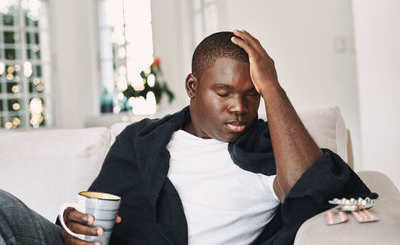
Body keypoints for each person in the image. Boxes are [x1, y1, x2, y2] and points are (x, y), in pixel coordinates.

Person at [0, 30, 375, 245]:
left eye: (251, 93)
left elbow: (308, 187)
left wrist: (272, 86)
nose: (239, 107)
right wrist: (70, 226)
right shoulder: (141, 140)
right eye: (224, 92)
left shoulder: (268, 150)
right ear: (192, 86)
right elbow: (92, 214)